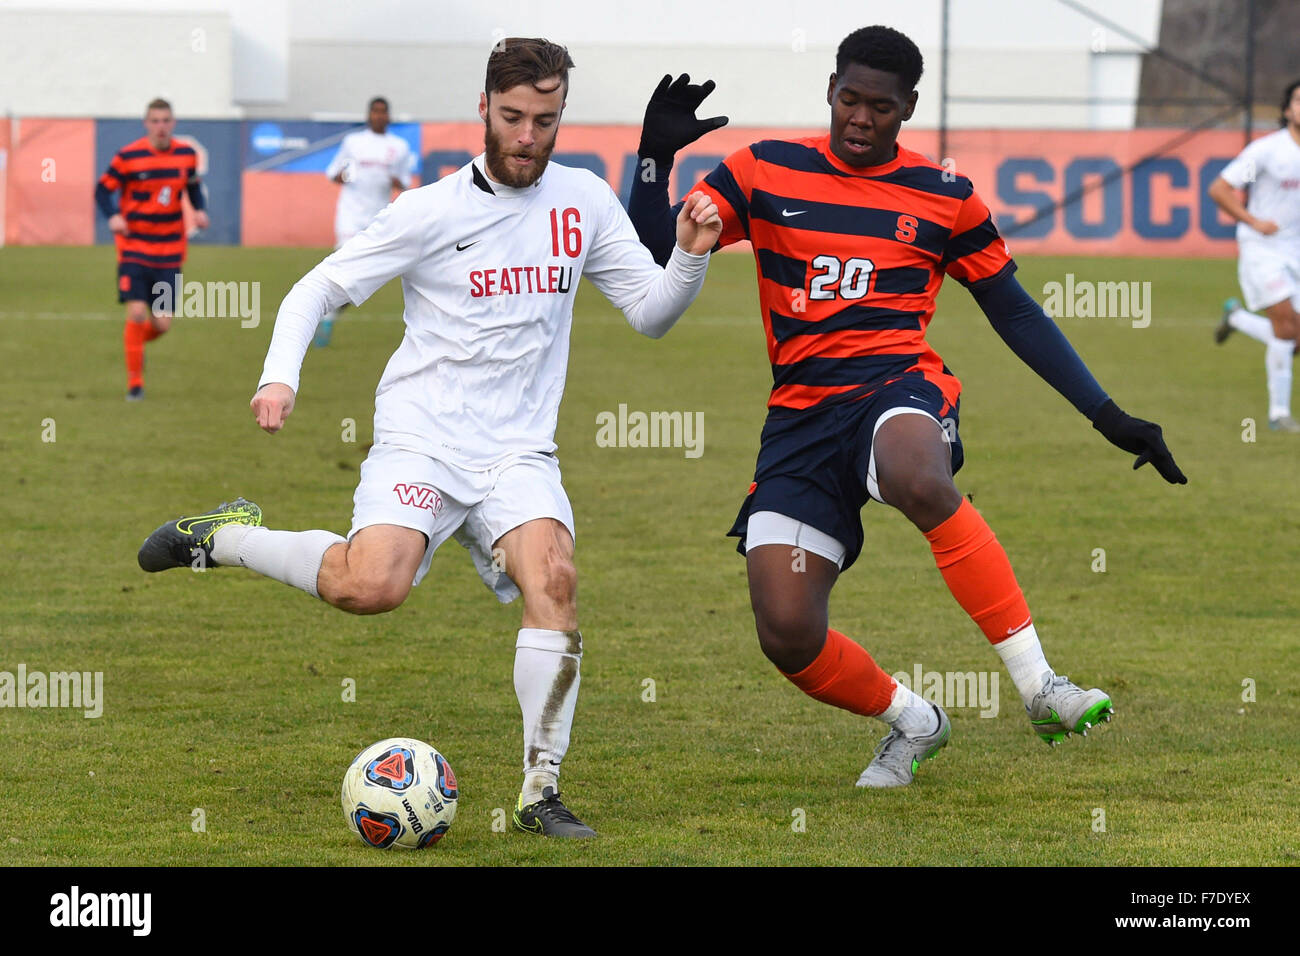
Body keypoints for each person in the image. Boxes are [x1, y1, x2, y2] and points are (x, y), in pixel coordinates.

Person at [137, 38, 722, 836]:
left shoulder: (583, 200)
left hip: (519, 451)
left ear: (560, 119)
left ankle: (538, 790)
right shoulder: (430, 210)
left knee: (554, 578)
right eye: (512, 117)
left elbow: (651, 314)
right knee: (371, 587)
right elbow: (317, 287)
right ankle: (228, 538)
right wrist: (282, 376)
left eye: (544, 121)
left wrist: (687, 259)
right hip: (423, 439)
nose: (526, 136)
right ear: (483, 109)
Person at [629, 25, 1185, 788]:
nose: (861, 118)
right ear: (831, 89)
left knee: (918, 476)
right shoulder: (762, 171)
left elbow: (1015, 312)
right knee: (787, 632)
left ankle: (1042, 687)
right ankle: (913, 721)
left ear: (908, 108)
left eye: (880, 107)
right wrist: (654, 160)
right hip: (799, 417)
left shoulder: (945, 196)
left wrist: (1108, 413)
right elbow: (660, 254)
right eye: (850, 100)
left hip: (899, 387)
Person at [95, 98, 208, 400]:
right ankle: (135, 383)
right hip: (134, 248)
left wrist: (199, 209)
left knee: (162, 324)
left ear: (173, 123)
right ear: (146, 123)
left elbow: (193, 186)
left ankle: (134, 344)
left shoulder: (186, 155)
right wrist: (113, 215)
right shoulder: (129, 156)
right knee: (136, 312)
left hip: (170, 251)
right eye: (155, 120)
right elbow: (102, 190)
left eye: (166, 120)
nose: (161, 126)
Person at [1210, 80, 1300, 432]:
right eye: (1298, 100)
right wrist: (1252, 221)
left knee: (1293, 338)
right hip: (1261, 248)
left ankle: (1236, 319)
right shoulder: (1267, 151)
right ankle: (1279, 414)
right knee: (1284, 322)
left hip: (1295, 250)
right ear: (1287, 109)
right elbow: (1219, 188)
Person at [314, 96, 417, 347]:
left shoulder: (399, 147)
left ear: (388, 116)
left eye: (383, 112)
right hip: (350, 215)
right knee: (344, 270)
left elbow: (404, 181)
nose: (379, 116)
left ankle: (329, 314)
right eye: (375, 111)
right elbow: (333, 172)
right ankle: (318, 309)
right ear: (368, 115)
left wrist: (396, 181)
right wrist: (340, 176)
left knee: (361, 279)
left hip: (378, 218)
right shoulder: (353, 143)